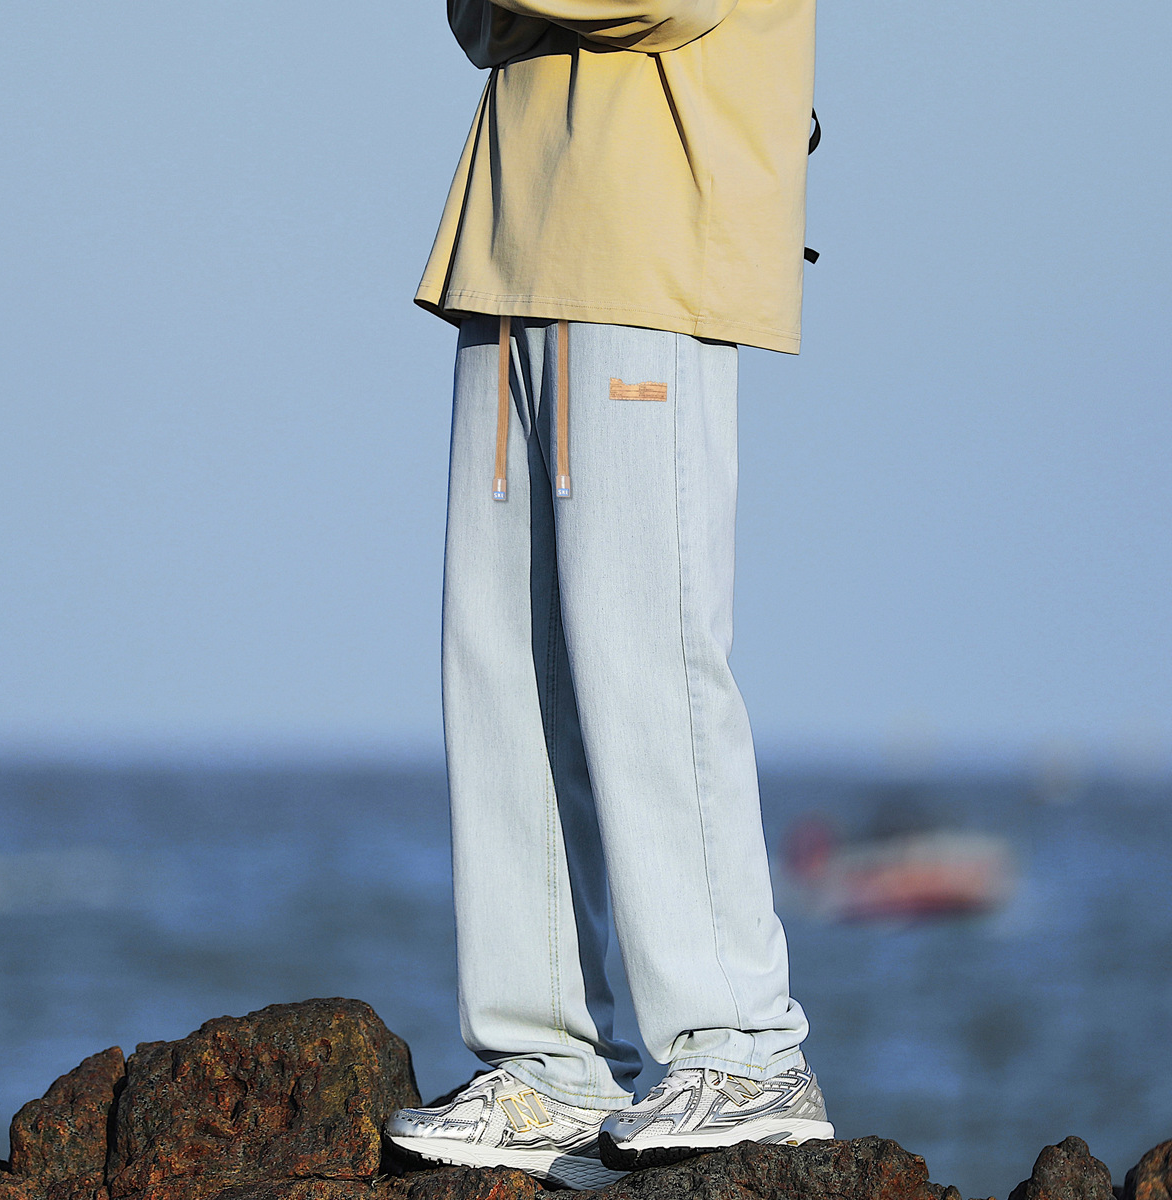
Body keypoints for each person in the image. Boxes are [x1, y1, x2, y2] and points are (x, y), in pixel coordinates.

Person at [384, 0, 833, 1188]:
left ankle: (743, 1044)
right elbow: (479, 26)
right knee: (503, 672)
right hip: (510, 242)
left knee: (648, 652)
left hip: (646, 239)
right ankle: (549, 1062)